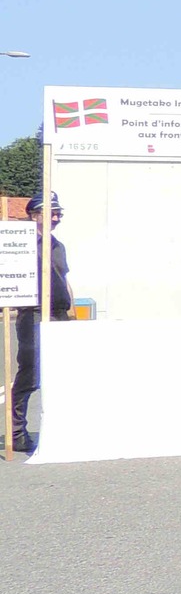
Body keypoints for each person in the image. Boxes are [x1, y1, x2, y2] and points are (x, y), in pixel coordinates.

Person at [9, 194, 70, 456]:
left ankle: (57, 431)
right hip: (32, 314)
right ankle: (17, 433)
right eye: (52, 213)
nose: (56, 218)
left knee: (59, 373)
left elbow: (64, 278)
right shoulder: (21, 244)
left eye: (59, 213)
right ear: (35, 215)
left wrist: (72, 310)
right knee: (31, 374)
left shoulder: (57, 245)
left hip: (58, 313)